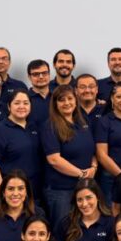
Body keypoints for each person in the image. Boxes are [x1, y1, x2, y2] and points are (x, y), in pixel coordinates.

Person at [41, 85, 97, 227]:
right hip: (61, 190)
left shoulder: (83, 121)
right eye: (61, 100)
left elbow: (92, 150)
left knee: (82, 228)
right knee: (62, 228)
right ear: (55, 104)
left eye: (70, 98)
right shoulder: (50, 126)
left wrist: (94, 167)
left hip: (84, 187)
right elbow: (54, 159)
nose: (67, 103)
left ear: (76, 100)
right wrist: (81, 174)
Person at [0, 89, 43, 217]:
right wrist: (4, 194)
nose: (22, 106)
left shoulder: (34, 128)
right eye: (17, 103)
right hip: (11, 196)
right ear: (9, 106)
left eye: (25, 103)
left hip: (33, 194)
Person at [26, 59, 53, 127]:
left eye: (44, 73)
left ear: (49, 75)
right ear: (29, 77)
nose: (41, 77)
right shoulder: (24, 99)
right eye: (36, 74)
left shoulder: (58, 97)